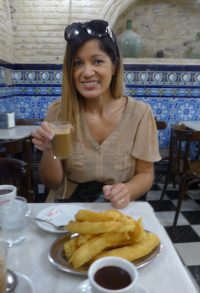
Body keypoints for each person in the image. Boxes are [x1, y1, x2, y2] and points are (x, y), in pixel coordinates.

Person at [32, 19, 161, 208]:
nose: (87, 72)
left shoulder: (140, 114)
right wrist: (50, 151)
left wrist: (126, 190)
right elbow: (52, 183)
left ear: (114, 65)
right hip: (69, 206)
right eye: (77, 63)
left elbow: (146, 174)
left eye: (97, 61)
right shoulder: (58, 112)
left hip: (117, 208)